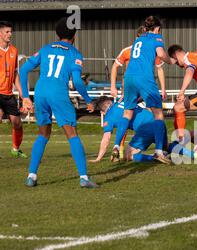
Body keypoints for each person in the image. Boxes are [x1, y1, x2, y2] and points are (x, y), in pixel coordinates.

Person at [20, 17, 98, 188]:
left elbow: (24, 69)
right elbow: (77, 82)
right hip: (58, 93)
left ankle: (31, 176)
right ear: (74, 35)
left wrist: (25, 96)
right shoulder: (74, 53)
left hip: (40, 93)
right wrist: (88, 100)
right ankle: (84, 178)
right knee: (72, 134)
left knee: (43, 134)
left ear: (57, 33)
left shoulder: (46, 49)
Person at [110, 16, 172, 162]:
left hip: (129, 78)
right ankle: (158, 151)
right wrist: (171, 61)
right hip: (144, 78)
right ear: (157, 28)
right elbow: (162, 54)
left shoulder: (138, 40)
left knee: (127, 113)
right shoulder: (157, 37)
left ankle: (117, 146)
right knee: (158, 114)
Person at [90, 96, 169, 164]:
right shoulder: (123, 101)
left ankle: (154, 157)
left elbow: (106, 139)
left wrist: (98, 158)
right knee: (166, 147)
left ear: (102, 112)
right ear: (110, 101)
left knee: (129, 155)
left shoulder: (108, 117)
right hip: (158, 121)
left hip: (145, 128)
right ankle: (179, 150)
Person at [110, 26, 166, 102]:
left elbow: (159, 68)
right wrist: (113, 86)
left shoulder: (153, 51)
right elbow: (114, 66)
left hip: (145, 83)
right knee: (127, 109)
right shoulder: (127, 51)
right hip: (131, 84)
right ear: (137, 38)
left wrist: (163, 89)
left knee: (150, 108)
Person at [0, 21, 27, 158]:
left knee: (17, 123)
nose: (10, 34)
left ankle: (15, 149)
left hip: (8, 94)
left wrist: (23, 95)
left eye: (11, 31)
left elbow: (16, 73)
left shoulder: (14, 51)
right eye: (7, 32)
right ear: (0, 33)